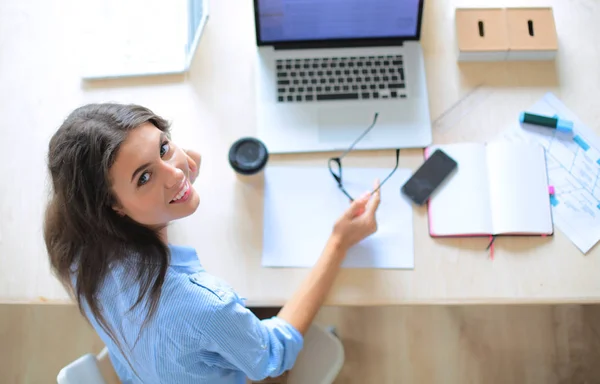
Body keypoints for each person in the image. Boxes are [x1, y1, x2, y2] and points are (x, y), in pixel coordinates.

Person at [44, 103, 381, 383]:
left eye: (164, 147)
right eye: (144, 177)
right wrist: (339, 242)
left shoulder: (75, 245)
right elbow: (272, 356)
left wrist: (169, 176)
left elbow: (169, 175)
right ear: (113, 206)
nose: (176, 173)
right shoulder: (206, 305)